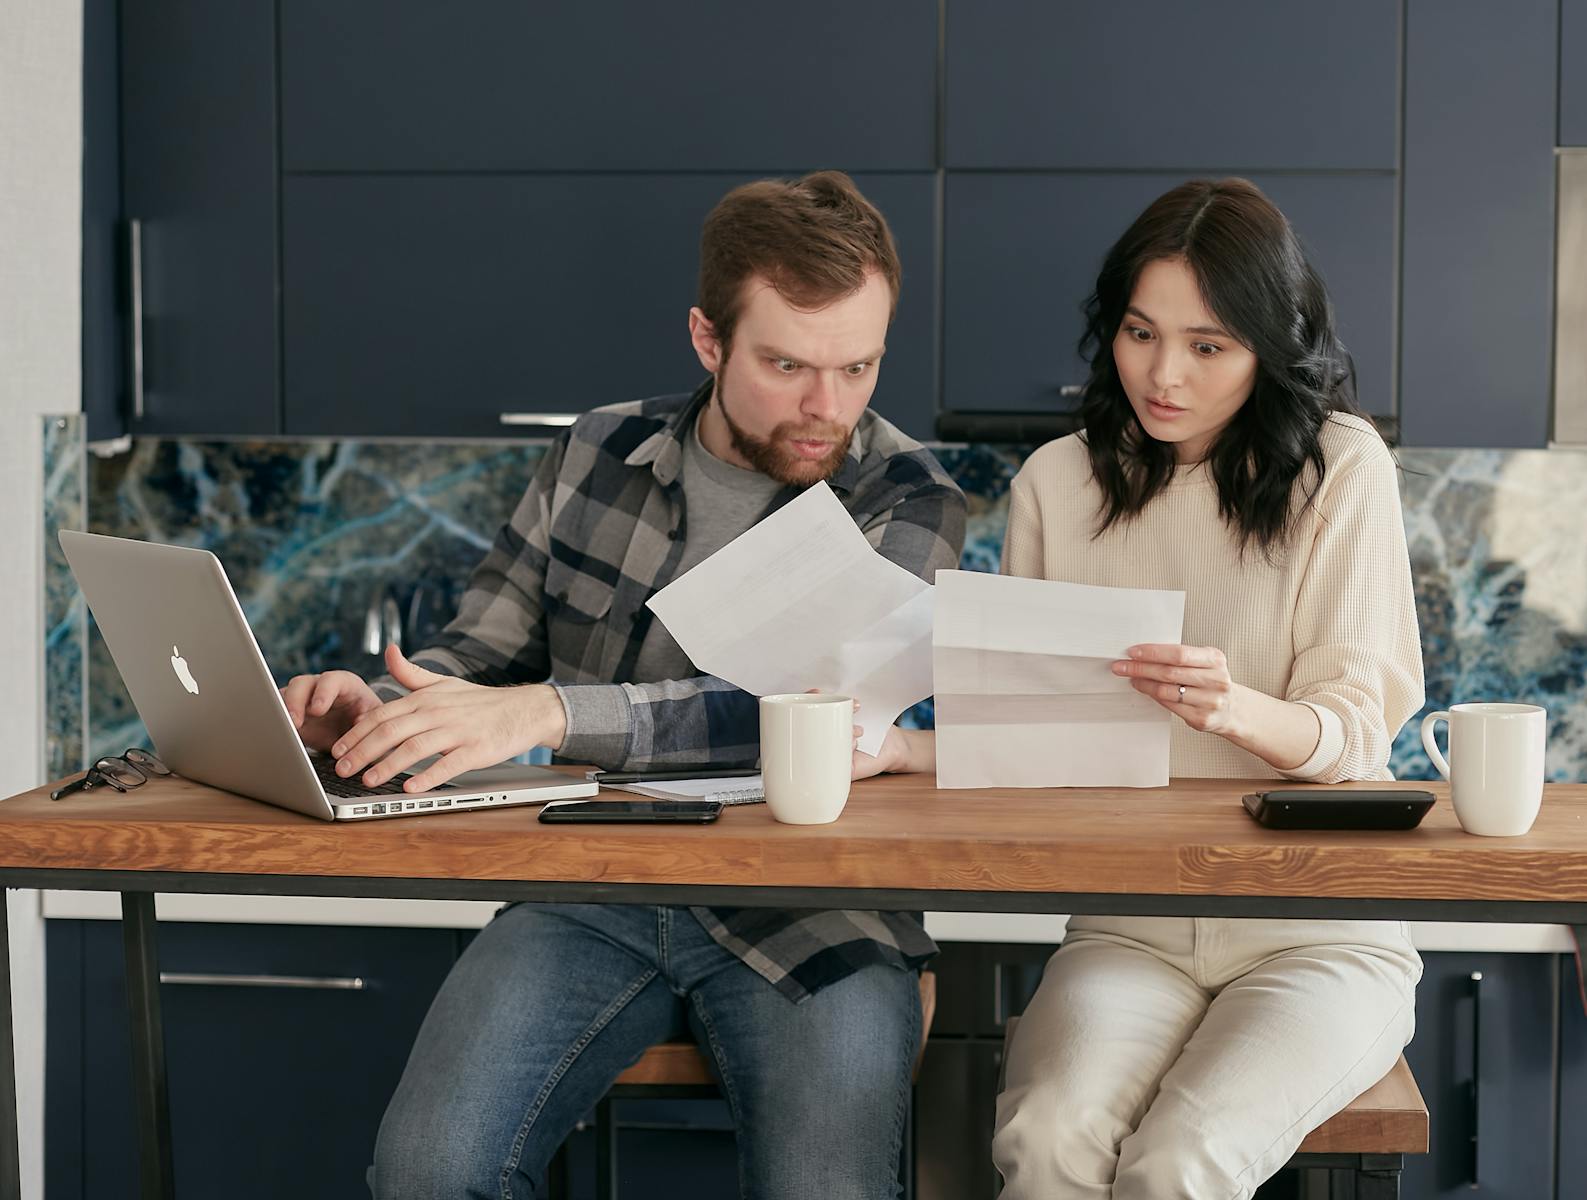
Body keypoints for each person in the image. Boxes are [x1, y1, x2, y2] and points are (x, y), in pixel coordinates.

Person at [279, 170, 966, 1199]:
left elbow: (775, 712)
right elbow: (485, 655)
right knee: (427, 1174)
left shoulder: (908, 497)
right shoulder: (594, 452)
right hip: (589, 885)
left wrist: (550, 712)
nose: (829, 405)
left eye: (858, 365)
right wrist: (388, 714)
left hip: (818, 906)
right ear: (707, 339)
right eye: (787, 364)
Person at [866, 178, 1424, 1198]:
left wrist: (1232, 708)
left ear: (1271, 347)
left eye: (1208, 346)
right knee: (1045, 1143)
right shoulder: (1057, 485)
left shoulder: (1343, 469)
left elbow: (1357, 732)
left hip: (1318, 930)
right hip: (1130, 924)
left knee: (1179, 1164)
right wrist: (904, 748)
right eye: (1138, 333)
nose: (1163, 375)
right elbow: (1036, 739)